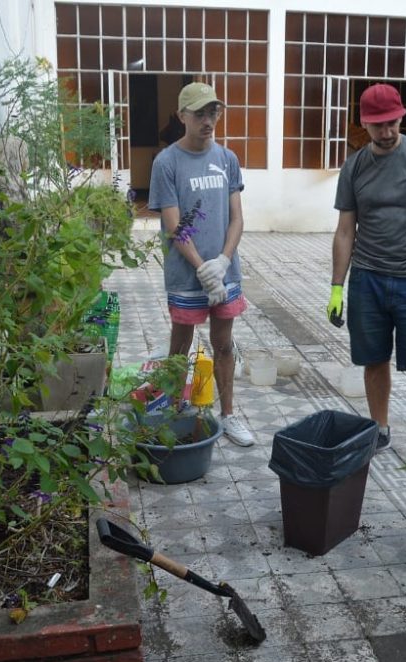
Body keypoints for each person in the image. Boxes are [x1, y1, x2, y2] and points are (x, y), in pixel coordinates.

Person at [328, 83, 406, 459]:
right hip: (367, 279)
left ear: (402, 117)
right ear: (364, 124)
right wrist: (337, 287)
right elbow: (344, 230)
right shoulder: (354, 167)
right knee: (373, 359)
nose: (385, 133)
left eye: (391, 123)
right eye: (376, 126)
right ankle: (379, 429)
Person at [148, 82, 255, 446]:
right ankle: (174, 414)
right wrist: (201, 268)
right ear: (182, 117)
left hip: (225, 273)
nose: (208, 120)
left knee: (224, 344)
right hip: (185, 276)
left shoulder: (227, 159)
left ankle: (228, 415)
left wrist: (223, 262)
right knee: (180, 347)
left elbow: (237, 218)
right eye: (199, 114)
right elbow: (175, 225)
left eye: (213, 112)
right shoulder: (167, 163)